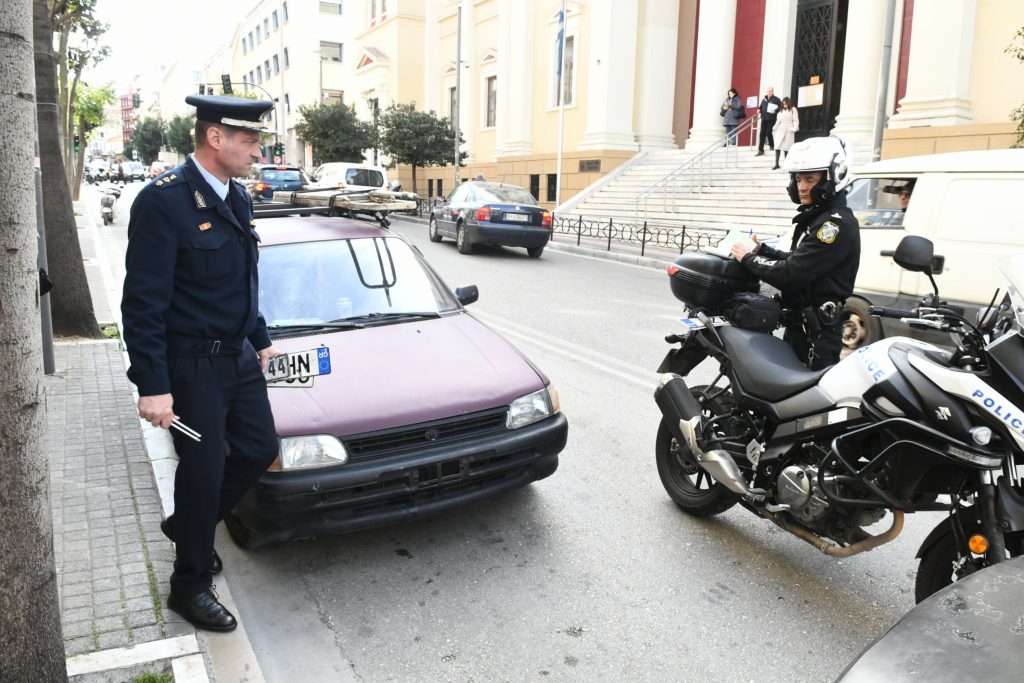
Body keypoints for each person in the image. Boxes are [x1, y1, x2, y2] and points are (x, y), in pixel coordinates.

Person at [121, 95, 282, 632]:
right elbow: (142, 303)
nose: (258, 150)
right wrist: (152, 386)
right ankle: (188, 585)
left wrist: (259, 338)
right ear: (216, 138)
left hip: (236, 357)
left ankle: (188, 524)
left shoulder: (235, 195)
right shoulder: (162, 202)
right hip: (189, 366)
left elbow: (242, 279)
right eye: (250, 140)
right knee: (202, 472)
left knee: (260, 448)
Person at [730, 136, 860, 370]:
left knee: (806, 404)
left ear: (834, 176)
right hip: (800, 329)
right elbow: (800, 261)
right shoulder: (818, 218)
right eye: (798, 179)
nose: (801, 186)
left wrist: (748, 258)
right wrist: (762, 250)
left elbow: (791, 274)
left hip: (816, 339)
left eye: (809, 178)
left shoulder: (835, 226)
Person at [771, 98, 799, 170]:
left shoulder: (793, 109)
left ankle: (787, 164)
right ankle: (776, 164)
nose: (784, 105)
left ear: (788, 103)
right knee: (778, 146)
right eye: (783, 104)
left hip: (789, 129)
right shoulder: (780, 111)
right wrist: (774, 127)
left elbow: (795, 120)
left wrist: (795, 127)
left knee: (787, 147)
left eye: (786, 103)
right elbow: (778, 121)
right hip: (780, 130)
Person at [756, 86, 782, 156]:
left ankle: (772, 144)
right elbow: (761, 107)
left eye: (770, 91)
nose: (769, 92)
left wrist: (775, 110)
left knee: (768, 132)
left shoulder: (776, 99)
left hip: (771, 118)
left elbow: (780, 107)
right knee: (762, 134)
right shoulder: (764, 99)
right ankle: (760, 150)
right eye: (768, 91)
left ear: (772, 92)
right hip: (764, 119)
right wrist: (759, 110)